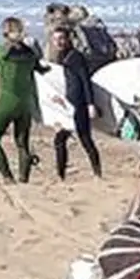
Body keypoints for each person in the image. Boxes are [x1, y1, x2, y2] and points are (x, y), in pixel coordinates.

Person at [0, 17, 48, 183]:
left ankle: (7, 177)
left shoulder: (0, 51)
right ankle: (23, 179)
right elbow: (42, 70)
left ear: (4, 32)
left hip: (7, 101)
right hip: (26, 103)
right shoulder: (30, 53)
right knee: (22, 143)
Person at [49, 26, 103, 180]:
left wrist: (90, 104)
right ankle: (61, 175)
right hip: (67, 105)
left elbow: (85, 80)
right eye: (55, 39)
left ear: (68, 39)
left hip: (78, 105)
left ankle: (97, 173)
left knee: (85, 139)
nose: (58, 42)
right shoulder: (62, 56)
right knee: (60, 140)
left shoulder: (75, 57)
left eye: (61, 38)